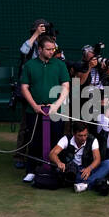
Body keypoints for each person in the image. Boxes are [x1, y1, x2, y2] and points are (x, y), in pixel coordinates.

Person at [17, 35, 71, 180]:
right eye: (48, 49)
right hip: (34, 111)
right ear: (39, 49)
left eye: (53, 49)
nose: (51, 52)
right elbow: (24, 87)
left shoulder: (60, 65)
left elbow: (66, 86)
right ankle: (31, 171)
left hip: (55, 111)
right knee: (34, 140)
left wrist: (57, 105)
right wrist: (34, 106)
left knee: (56, 140)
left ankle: (55, 169)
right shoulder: (29, 65)